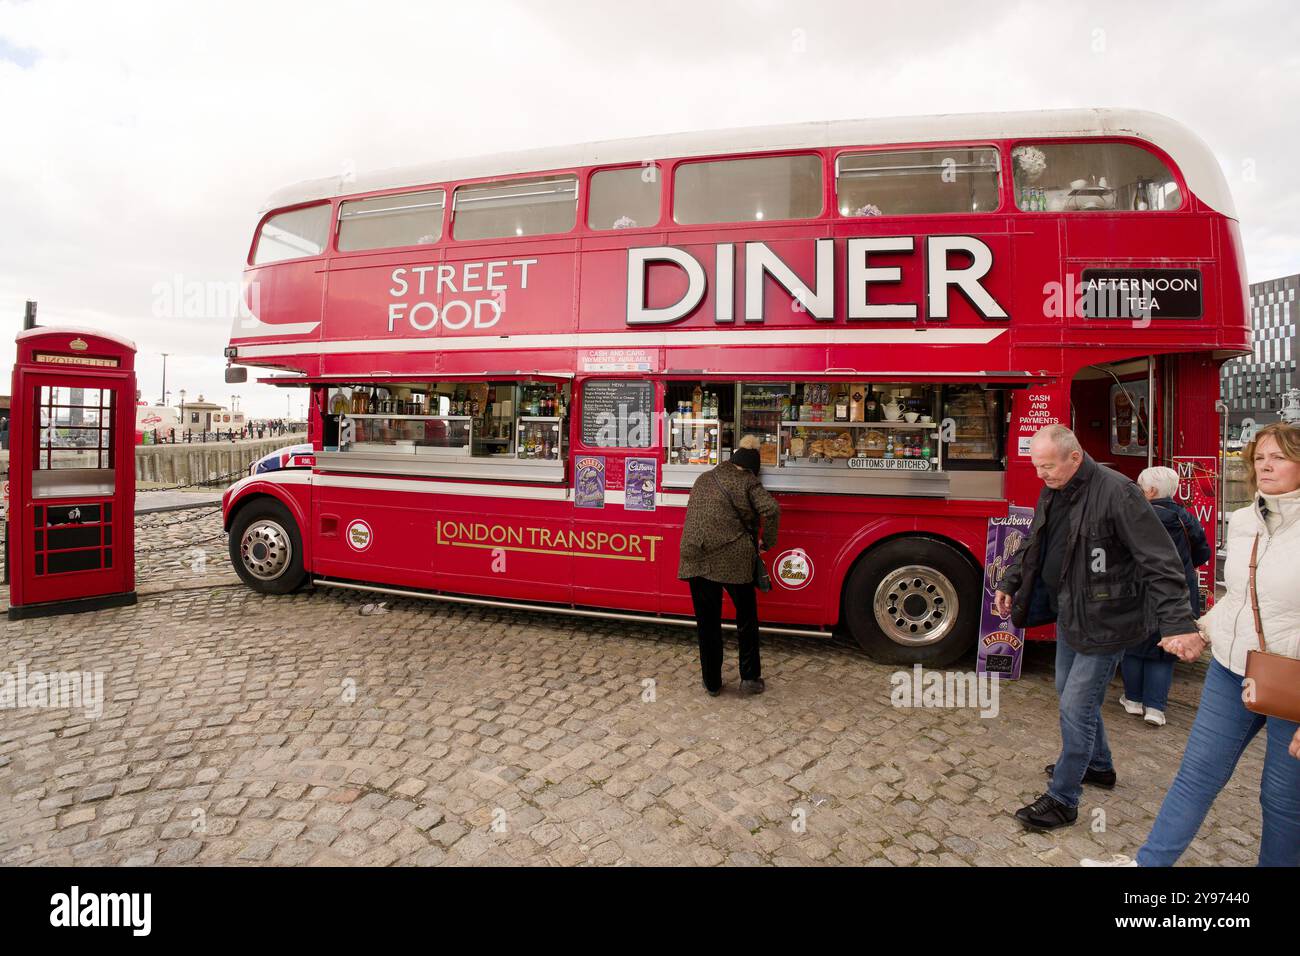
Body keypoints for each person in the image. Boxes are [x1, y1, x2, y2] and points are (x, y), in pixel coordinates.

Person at [1086, 423, 1300, 867]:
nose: (1266, 465)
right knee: (1194, 777)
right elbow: (1241, 600)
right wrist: (1203, 631)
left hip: (1293, 683)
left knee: (1281, 802)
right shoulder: (1244, 522)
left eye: (1279, 456)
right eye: (1260, 457)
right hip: (1231, 669)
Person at [995, 425, 1199, 831]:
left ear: (1075, 457)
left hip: (1109, 620)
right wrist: (1011, 581)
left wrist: (1179, 622)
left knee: (1077, 706)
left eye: (1047, 466)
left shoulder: (1118, 492)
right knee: (1066, 694)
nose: (1041, 475)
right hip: (1072, 613)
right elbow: (1035, 543)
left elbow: (1160, 559)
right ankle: (1100, 765)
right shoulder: (1054, 489)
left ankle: (1064, 798)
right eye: (1037, 466)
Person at [677, 434, 780, 697]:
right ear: (752, 469)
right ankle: (749, 679)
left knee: (707, 623)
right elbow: (772, 510)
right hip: (733, 557)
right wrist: (766, 543)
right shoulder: (747, 481)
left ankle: (712, 682)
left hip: (695, 556)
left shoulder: (704, 477)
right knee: (746, 619)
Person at [1120, 466, 1213, 727]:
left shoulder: (1134, 516)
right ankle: (1156, 709)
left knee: (1133, 647)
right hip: (1177, 591)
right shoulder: (1185, 518)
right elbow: (1202, 553)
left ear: (1149, 491)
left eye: (1139, 486)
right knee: (1168, 649)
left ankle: (1133, 700)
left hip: (1138, 590)